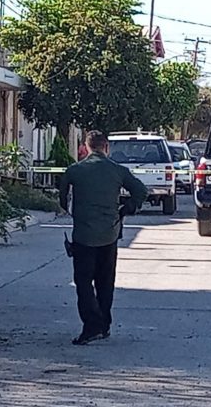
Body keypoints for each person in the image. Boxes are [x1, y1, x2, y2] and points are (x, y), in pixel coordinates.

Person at [59, 130, 147, 345]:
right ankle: (104, 325)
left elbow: (62, 199)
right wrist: (126, 209)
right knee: (105, 282)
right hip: (110, 233)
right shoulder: (118, 170)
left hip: (83, 235)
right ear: (106, 147)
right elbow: (141, 191)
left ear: (86, 147)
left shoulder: (74, 170)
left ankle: (91, 326)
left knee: (83, 282)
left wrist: (75, 213)